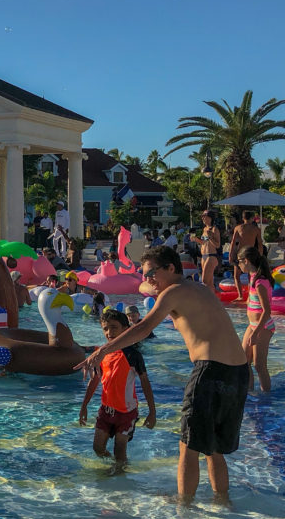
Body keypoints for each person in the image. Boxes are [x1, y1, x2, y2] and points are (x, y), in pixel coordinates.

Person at [75, 246, 248, 502]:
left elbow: (144, 328)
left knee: (188, 446)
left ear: (171, 268)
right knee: (213, 448)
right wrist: (149, 280)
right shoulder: (196, 288)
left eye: (152, 273)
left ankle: (184, 507)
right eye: (145, 275)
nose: (148, 280)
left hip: (210, 371)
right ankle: (222, 501)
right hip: (238, 373)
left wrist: (102, 351)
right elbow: (146, 288)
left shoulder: (174, 292)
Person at [79, 309, 156, 466]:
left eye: (114, 327)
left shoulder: (133, 355)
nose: (109, 332)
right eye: (105, 328)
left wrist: (152, 412)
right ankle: (115, 469)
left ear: (126, 330)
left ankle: (121, 482)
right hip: (106, 411)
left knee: (119, 450)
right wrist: (84, 405)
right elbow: (94, 380)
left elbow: (145, 383)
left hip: (127, 413)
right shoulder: (101, 354)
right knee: (98, 448)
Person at [238, 246, 274, 392]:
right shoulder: (252, 278)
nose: (239, 265)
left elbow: (267, 311)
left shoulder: (260, 282)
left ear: (246, 261)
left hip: (263, 327)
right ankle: (250, 392)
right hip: (253, 325)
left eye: (239, 262)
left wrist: (255, 332)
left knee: (259, 366)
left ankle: (266, 397)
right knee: (243, 361)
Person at [228, 212, 264, 302]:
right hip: (251, 253)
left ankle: (240, 296)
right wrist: (260, 255)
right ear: (252, 218)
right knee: (250, 276)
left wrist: (230, 254)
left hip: (240, 253)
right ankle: (249, 297)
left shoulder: (238, 228)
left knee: (236, 276)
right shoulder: (256, 229)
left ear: (243, 218)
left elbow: (232, 243)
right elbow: (260, 243)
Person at [189, 211, 221, 292]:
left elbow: (217, 245)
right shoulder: (205, 229)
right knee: (209, 282)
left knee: (204, 280)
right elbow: (204, 243)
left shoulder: (214, 229)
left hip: (211, 256)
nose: (203, 218)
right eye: (202, 216)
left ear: (210, 218)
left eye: (204, 216)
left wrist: (210, 237)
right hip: (204, 256)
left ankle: (208, 299)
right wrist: (197, 240)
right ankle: (212, 300)